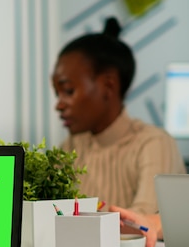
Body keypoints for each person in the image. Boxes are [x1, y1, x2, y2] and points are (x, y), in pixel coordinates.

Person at [52, 17, 185, 216]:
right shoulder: (70, 147)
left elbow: (141, 223)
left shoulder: (153, 144)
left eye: (69, 91)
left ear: (108, 85)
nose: (59, 105)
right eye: (58, 94)